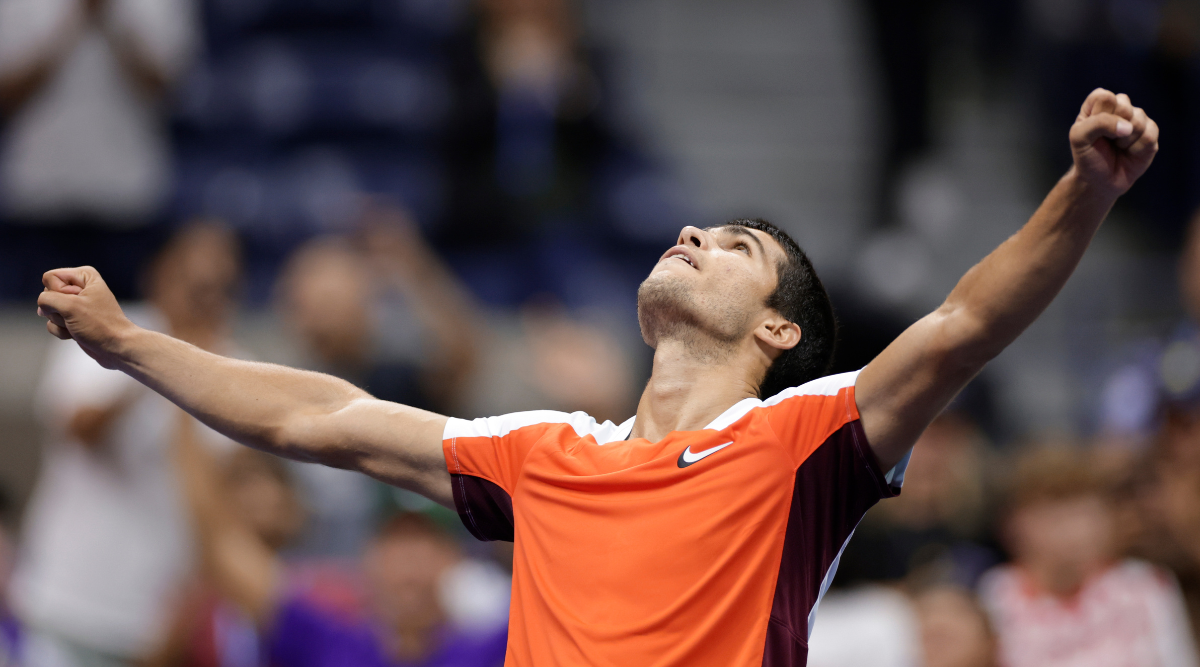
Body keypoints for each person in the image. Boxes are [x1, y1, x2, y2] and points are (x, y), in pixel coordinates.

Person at [35, 88, 1158, 666]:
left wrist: (1087, 191)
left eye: (735, 245)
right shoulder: (544, 450)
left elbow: (963, 321)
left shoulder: (807, 441)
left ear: (776, 331)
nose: (691, 233)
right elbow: (326, 415)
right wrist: (134, 346)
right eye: (698, 229)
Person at [13, 222, 240, 667]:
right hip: (64, 601)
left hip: (151, 624)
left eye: (217, 286)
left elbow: (224, 507)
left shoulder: (238, 365)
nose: (203, 297)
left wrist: (190, 609)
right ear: (161, 274)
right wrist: (158, 357)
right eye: (193, 282)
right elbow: (81, 429)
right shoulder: (103, 330)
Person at [158, 413, 506, 667]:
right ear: (371, 556)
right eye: (397, 543)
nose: (411, 561)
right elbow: (221, 544)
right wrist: (182, 408)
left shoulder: (491, 650)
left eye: (428, 544)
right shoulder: (328, 640)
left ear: (454, 558)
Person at [979, 446, 1198, 667]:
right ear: (1015, 525)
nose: (1075, 530)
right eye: (1056, 517)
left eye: (1083, 513)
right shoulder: (996, 593)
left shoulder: (1145, 583)